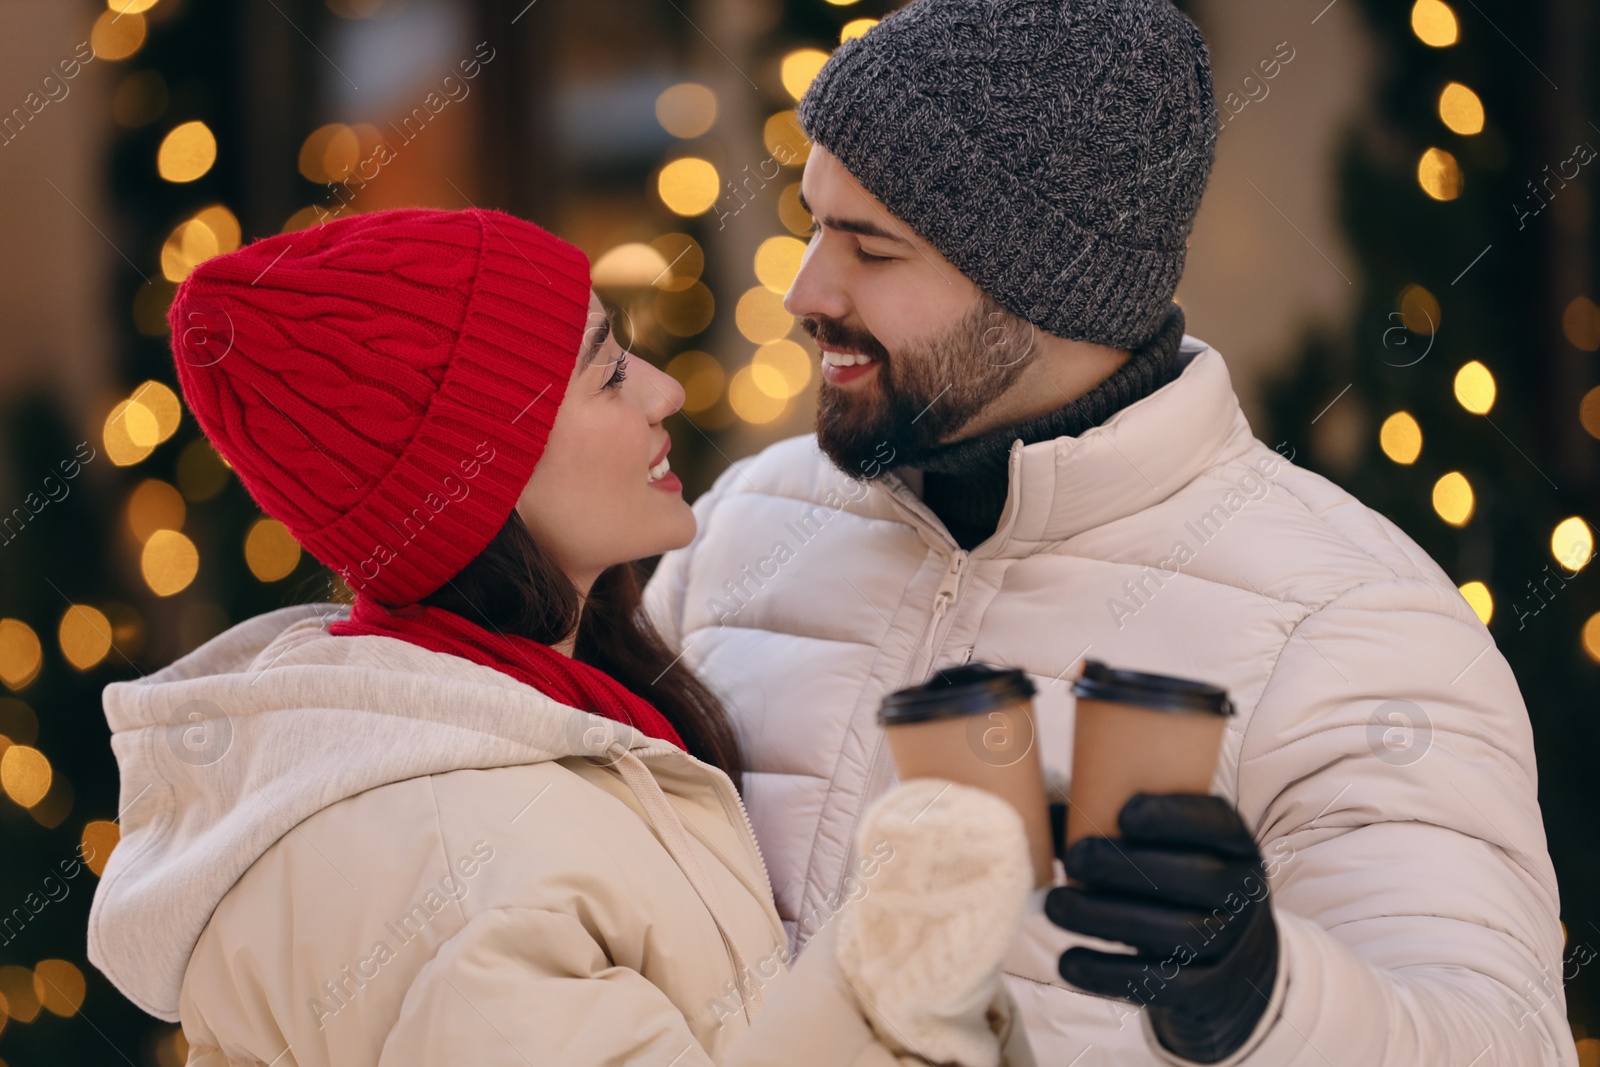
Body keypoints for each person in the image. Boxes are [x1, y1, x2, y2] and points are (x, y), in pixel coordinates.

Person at [642, 0, 1578, 1064]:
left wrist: (1267, 999)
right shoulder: (744, 527)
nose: (806, 292)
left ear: (1044, 288)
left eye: (871, 248)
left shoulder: (1347, 619)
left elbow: (1496, 1036)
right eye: (811, 221)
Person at [85, 207, 1041, 1067]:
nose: (663, 391)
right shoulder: (449, 869)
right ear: (480, 473)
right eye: (607, 370)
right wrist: (897, 958)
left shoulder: (555, 723)